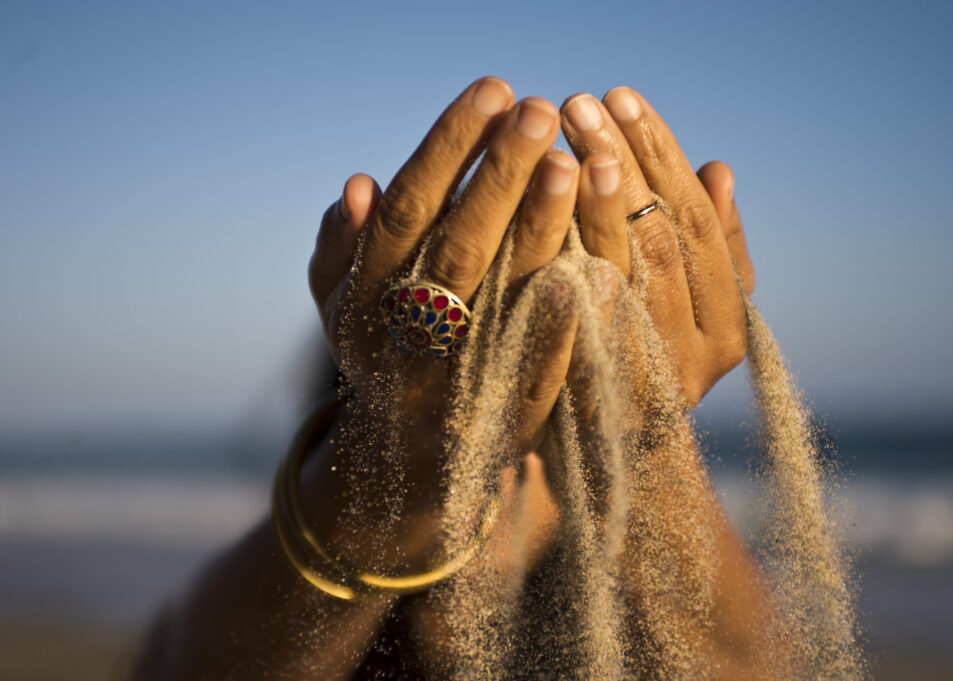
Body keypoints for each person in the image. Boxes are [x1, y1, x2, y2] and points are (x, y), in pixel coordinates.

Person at [132, 76, 778, 680]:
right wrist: (407, 448)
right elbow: (194, 660)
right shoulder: (257, 602)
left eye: (539, 416)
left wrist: (635, 431)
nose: (500, 455)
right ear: (343, 399)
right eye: (479, 396)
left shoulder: (611, 625)